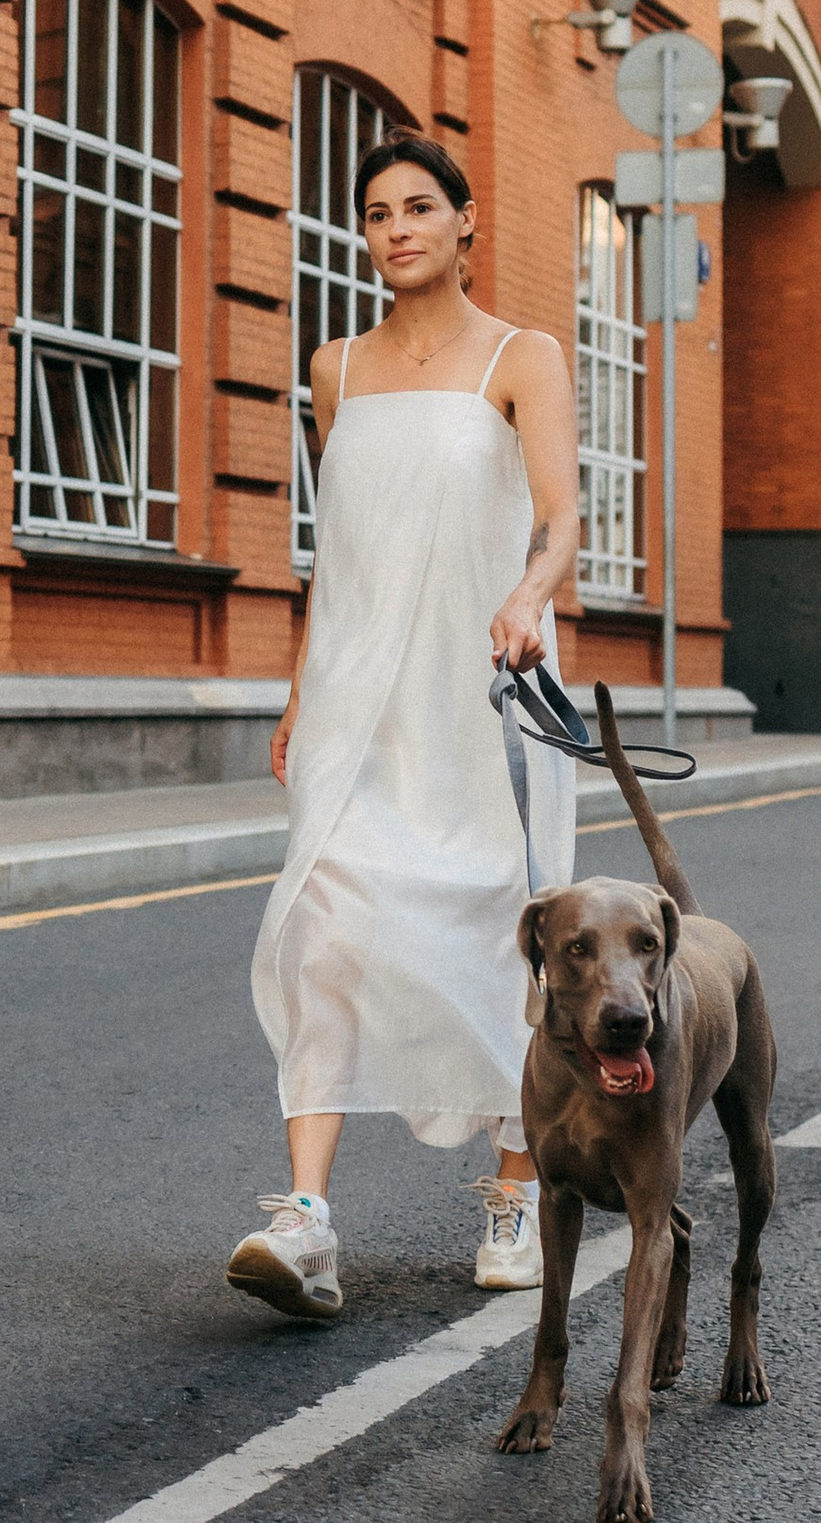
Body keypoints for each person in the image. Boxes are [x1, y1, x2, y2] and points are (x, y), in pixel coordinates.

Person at [230, 136, 580, 1322]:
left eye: (419, 207)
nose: (397, 230)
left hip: (480, 689)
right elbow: (337, 554)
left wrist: (529, 596)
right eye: (377, 213)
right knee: (319, 927)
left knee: (504, 931)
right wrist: (299, 693)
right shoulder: (334, 369)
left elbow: (560, 514)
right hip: (355, 699)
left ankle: (514, 1191)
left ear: (465, 221)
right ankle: (307, 1220)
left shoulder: (522, 357)